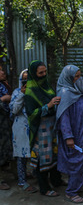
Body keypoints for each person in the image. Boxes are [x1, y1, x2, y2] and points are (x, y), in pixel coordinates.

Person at [56, 65, 83, 203]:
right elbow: (64, 117)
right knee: (77, 162)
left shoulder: (77, 90)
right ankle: (71, 192)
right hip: (76, 134)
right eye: (76, 76)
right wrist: (68, 137)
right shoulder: (65, 93)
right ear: (69, 78)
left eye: (80, 75)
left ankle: (77, 186)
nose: (79, 79)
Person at [24, 60, 64, 197]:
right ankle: (44, 188)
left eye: (45, 72)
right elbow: (31, 113)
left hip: (51, 128)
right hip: (41, 130)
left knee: (54, 155)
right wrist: (48, 106)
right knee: (43, 158)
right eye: (40, 73)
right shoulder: (30, 91)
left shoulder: (46, 86)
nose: (44, 75)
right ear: (34, 74)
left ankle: (56, 180)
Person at [9, 69, 37, 192]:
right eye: (24, 79)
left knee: (35, 153)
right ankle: (22, 182)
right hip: (20, 126)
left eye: (28, 78)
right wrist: (22, 94)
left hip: (34, 126)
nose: (26, 81)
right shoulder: (16, 92)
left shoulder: (36, 91)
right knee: (21, 155)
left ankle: (34, 174)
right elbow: (14, 110)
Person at [0, 64, 12, 190]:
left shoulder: (3, 85)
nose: (3, 72)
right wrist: (3, 99)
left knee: (6, 149)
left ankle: (13, 172)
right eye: (0, 71)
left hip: (5, 123)